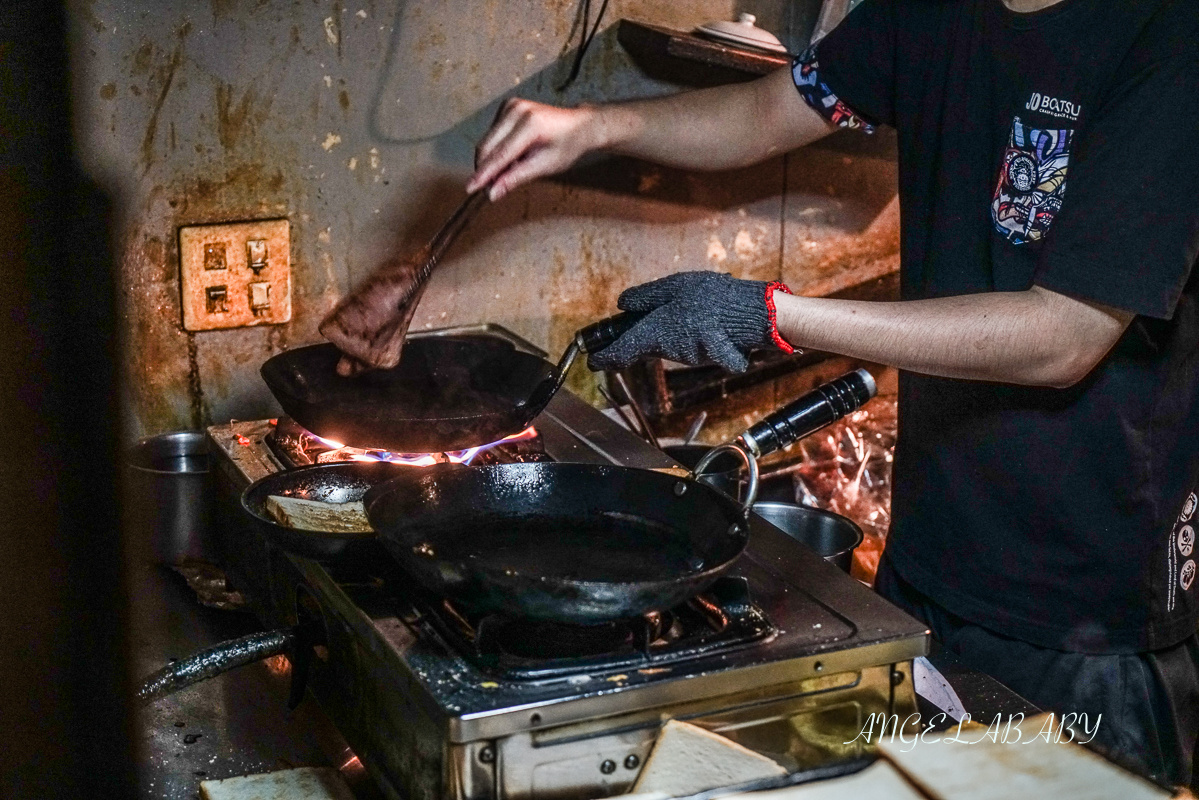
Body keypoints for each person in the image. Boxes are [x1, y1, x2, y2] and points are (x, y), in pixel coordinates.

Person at [327, 0, 1199, 785]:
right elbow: (764, 112)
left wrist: (776, 314)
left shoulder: (1169, 37)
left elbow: (1064, 337)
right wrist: (589, 129)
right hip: (927, 563)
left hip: (1083, 609)